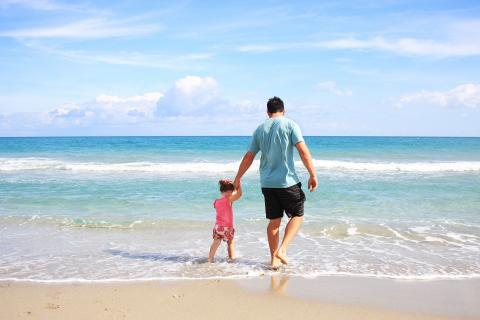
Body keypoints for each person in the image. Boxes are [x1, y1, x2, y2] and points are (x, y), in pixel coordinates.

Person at [233, 96, 317, 269]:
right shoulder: (290, 124)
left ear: (268, 112)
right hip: (287, 182)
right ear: (283, 111)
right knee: (297, 215)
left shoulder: (259, 129)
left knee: (274, 221)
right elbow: (303, 151)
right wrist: (312, 174)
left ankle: (273, 260)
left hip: (267, 183)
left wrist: (238, 177)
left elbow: (249, 156)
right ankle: (283, 250)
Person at [208, 179, 242, 263]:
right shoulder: (229, 199)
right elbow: (239, 194)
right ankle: (232, 258)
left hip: (218, 227)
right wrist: (239, 185)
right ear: (231, 191)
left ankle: (210, 259)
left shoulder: (216, 201)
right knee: (230, 243)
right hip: (227, 227)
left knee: (216, 242)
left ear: (221, 191)